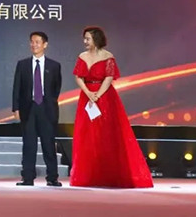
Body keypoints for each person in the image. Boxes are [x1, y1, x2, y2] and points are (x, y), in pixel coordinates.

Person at [70, 26, 153, 188]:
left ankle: (110, 174)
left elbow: (109, 78)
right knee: (87, 134)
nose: (85, 41)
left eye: (88, 38)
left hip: (105, 97)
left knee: (107, 134)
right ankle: (88, 176)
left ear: (96, 39)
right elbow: (78, 77)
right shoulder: (82, 56)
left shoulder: (108, 57)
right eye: (84, 38)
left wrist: (97, 95)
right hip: (87, 97)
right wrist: (89, 93)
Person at [12, 31, 62, 187]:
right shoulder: (23, 64)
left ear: (45, 44)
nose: (34, 45)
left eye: (37, 42)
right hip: (28, 109)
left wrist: (49, 103)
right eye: (32, 42)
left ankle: (52, 178)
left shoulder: (54, 65)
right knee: (29, 144)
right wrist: (16, 108)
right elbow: (17, 88)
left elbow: (56, 88)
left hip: (47, 109)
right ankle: (27, 178)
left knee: (49, 144)